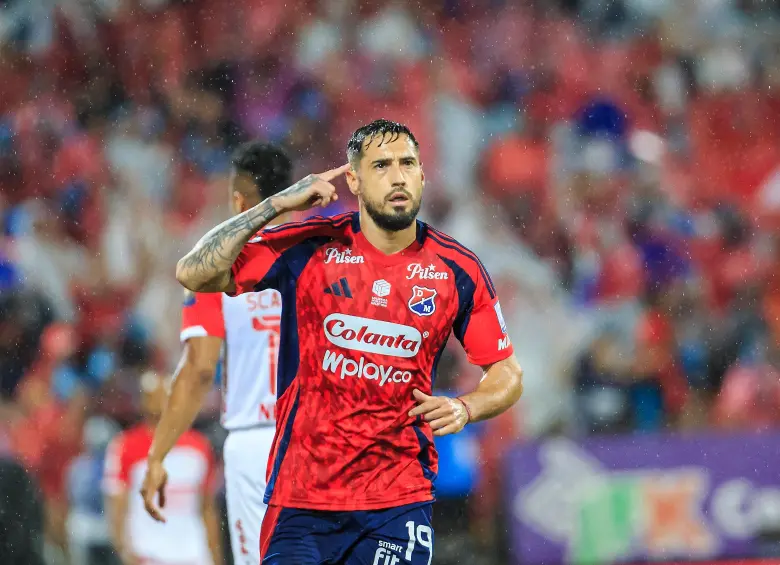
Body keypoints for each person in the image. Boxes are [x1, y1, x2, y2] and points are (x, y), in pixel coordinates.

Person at [170, 118, 524, 564]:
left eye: (407, 164)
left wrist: (465, 406)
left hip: (396, 502)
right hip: (301, 502)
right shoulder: (312, 247)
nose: (397, 176)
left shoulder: (457, 269)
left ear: (422, 175)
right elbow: (193, 272)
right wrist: (276, 205)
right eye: (381, 165)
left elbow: (507, 372)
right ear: (352, 179)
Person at [140, 141, 293, 565]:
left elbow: (199, 369)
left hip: (257, 442)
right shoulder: (322, 255)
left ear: (238, 199)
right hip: (320, 438)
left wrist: (157, 454)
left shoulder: (218, 268)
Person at [104, 370, 223, 565]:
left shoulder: (199, 447)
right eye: (153, 395)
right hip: (149, 555)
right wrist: (126, 553)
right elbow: (117, 509)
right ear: (143, 401)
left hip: (194, 554)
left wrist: (215, 557)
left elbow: (207, 509)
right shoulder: (124, 446)